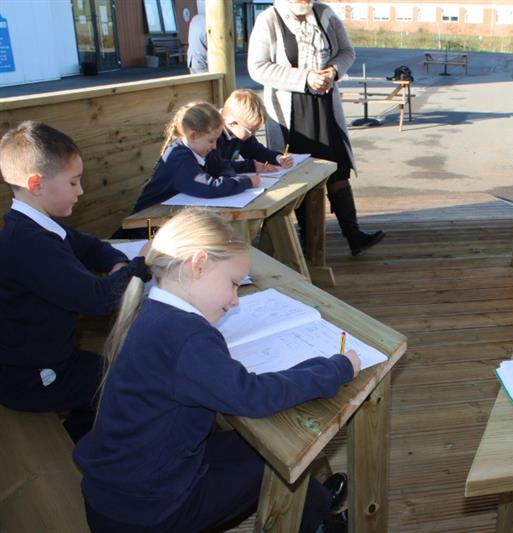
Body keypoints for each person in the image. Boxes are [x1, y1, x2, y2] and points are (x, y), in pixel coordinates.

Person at [74, 208, 361, 532]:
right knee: (283, 459)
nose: (235, 300)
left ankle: (320, 509)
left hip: (124, 491)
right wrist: (335, 368)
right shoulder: (188, 338)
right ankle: (324, 524)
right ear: (198, 265)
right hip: (150, 512)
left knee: (262, 449)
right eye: (233, 283)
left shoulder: (152, 308)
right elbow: (253, 397)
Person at [0, 121, 146, 442]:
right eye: (73, 182)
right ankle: (103, 449)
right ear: (36, 184)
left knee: (114, 371)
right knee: (131, 385)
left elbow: (90, 245)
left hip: (50, 359)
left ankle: (84, 432)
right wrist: (143, 263)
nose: (80, 192)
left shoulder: (34, 225)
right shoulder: (29, 245)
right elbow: (97, 299)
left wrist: (117, 263)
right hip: (32, 378)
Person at [247, 0, 384, 256]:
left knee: (338, 168)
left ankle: (354, 236)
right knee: (298, 174)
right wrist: (305, 77)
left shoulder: (325, 14)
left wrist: (332, 71)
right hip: (290, 112)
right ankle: (308, 244)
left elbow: (347, 52)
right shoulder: (269, 19)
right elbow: (257, 67)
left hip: (325, 106)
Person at [113, 101, 262, 240]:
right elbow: (209, 188)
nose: (215, 146)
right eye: (211, 140)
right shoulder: (179, 157)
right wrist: (247, 182)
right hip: (146, 230)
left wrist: (229, 180)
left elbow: (223, 167)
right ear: (192, 136)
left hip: (173, 222)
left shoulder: (203, 149)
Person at [216, 88, 294, 174]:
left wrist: (278, 158)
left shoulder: (239, 131)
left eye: (255, 130)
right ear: (232, 123)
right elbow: (217, 166)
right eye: (251, 131)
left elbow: (256, 151)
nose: (253, 134)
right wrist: (253, 166)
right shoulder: (213, 135)